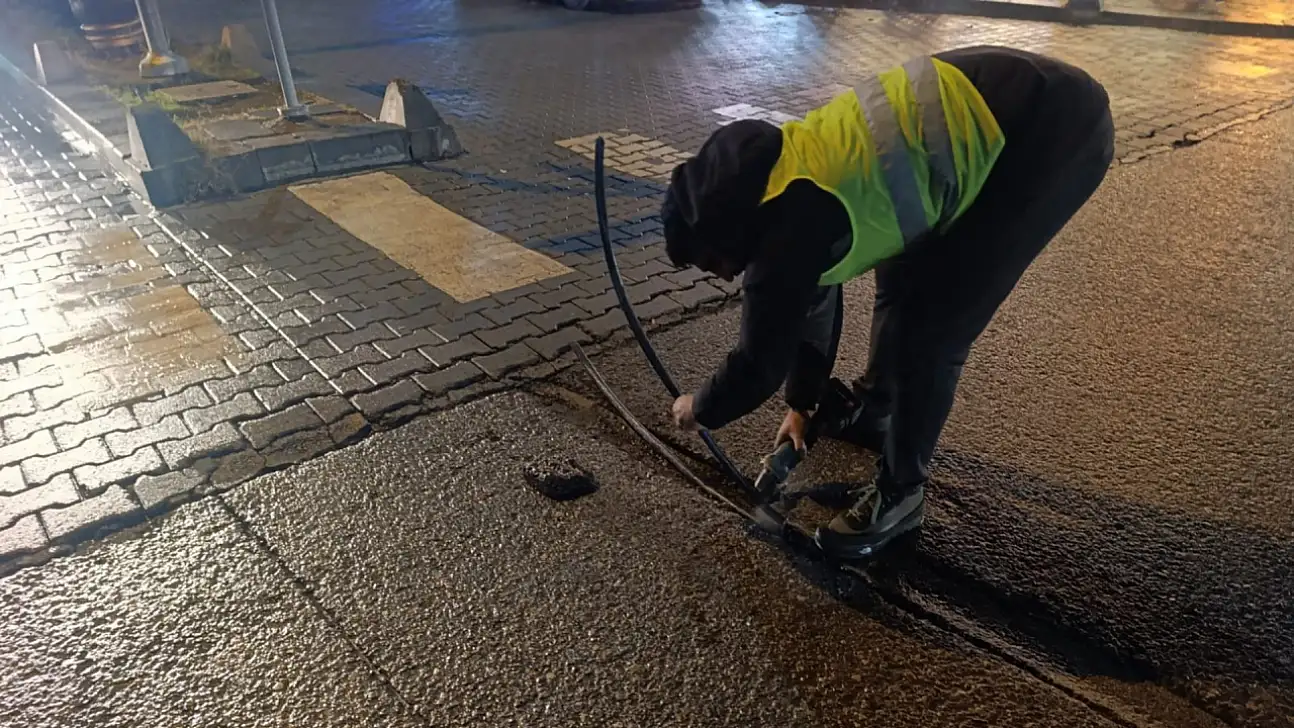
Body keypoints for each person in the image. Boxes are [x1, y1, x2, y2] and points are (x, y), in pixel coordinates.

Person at [662, 46, 1115, 560]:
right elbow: (812, 302)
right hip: (993, 107)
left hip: (1051, 134)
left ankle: (902, 494)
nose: (724, 275)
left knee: (934, 330)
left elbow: (756, 362)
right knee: (899, 277)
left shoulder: (784, 237)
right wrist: (802, 404)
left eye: (710, 263)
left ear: (720, 235)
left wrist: (699, 408)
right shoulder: (782, 174)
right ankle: (877, 412)